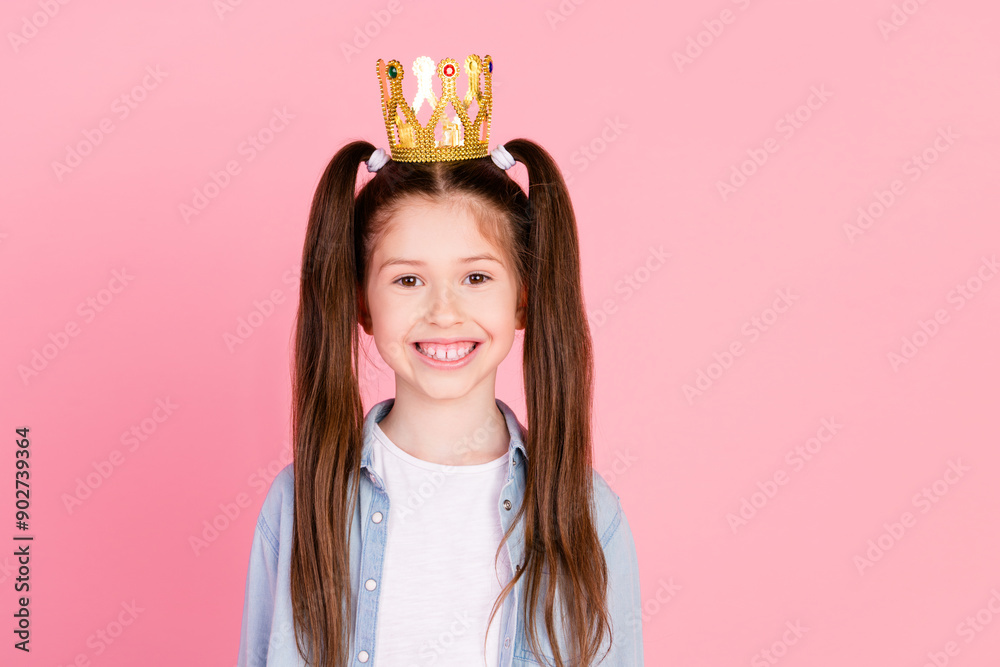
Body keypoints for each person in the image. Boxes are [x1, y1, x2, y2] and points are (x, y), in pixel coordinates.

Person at [237, 54, 643, 667]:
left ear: (522, 299)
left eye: (476, 277)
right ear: (362, 305)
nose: (444, 312)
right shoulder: (301, 505)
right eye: (407, 281)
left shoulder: (587, 512)